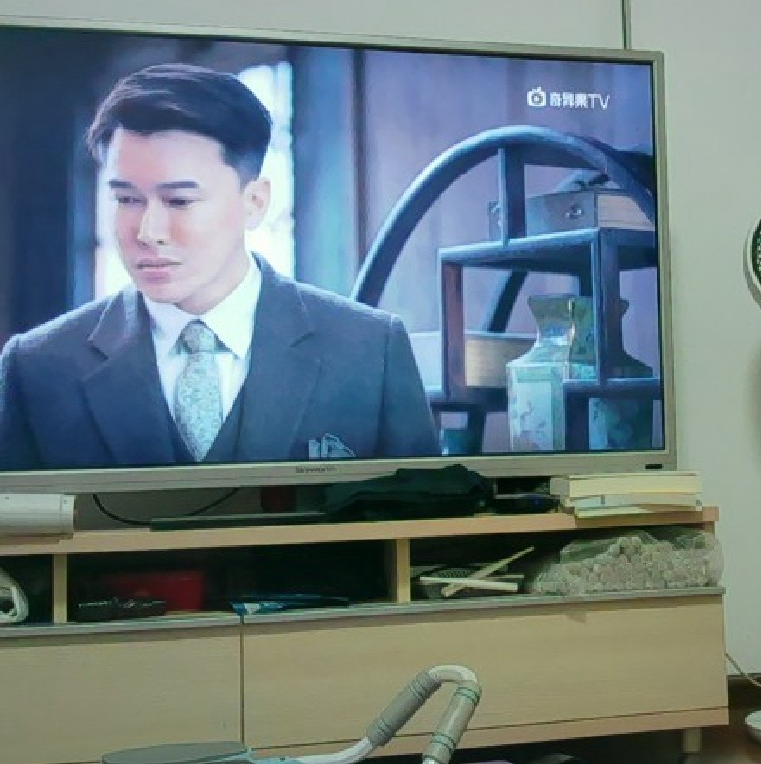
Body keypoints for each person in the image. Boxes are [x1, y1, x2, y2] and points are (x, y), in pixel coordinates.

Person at [0, 63, 439, 471]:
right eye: (126, 199)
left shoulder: (369, 349)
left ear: (255, 202)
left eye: (179, 201)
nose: (148, 231)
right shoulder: (38, 367)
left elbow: (429, 521)